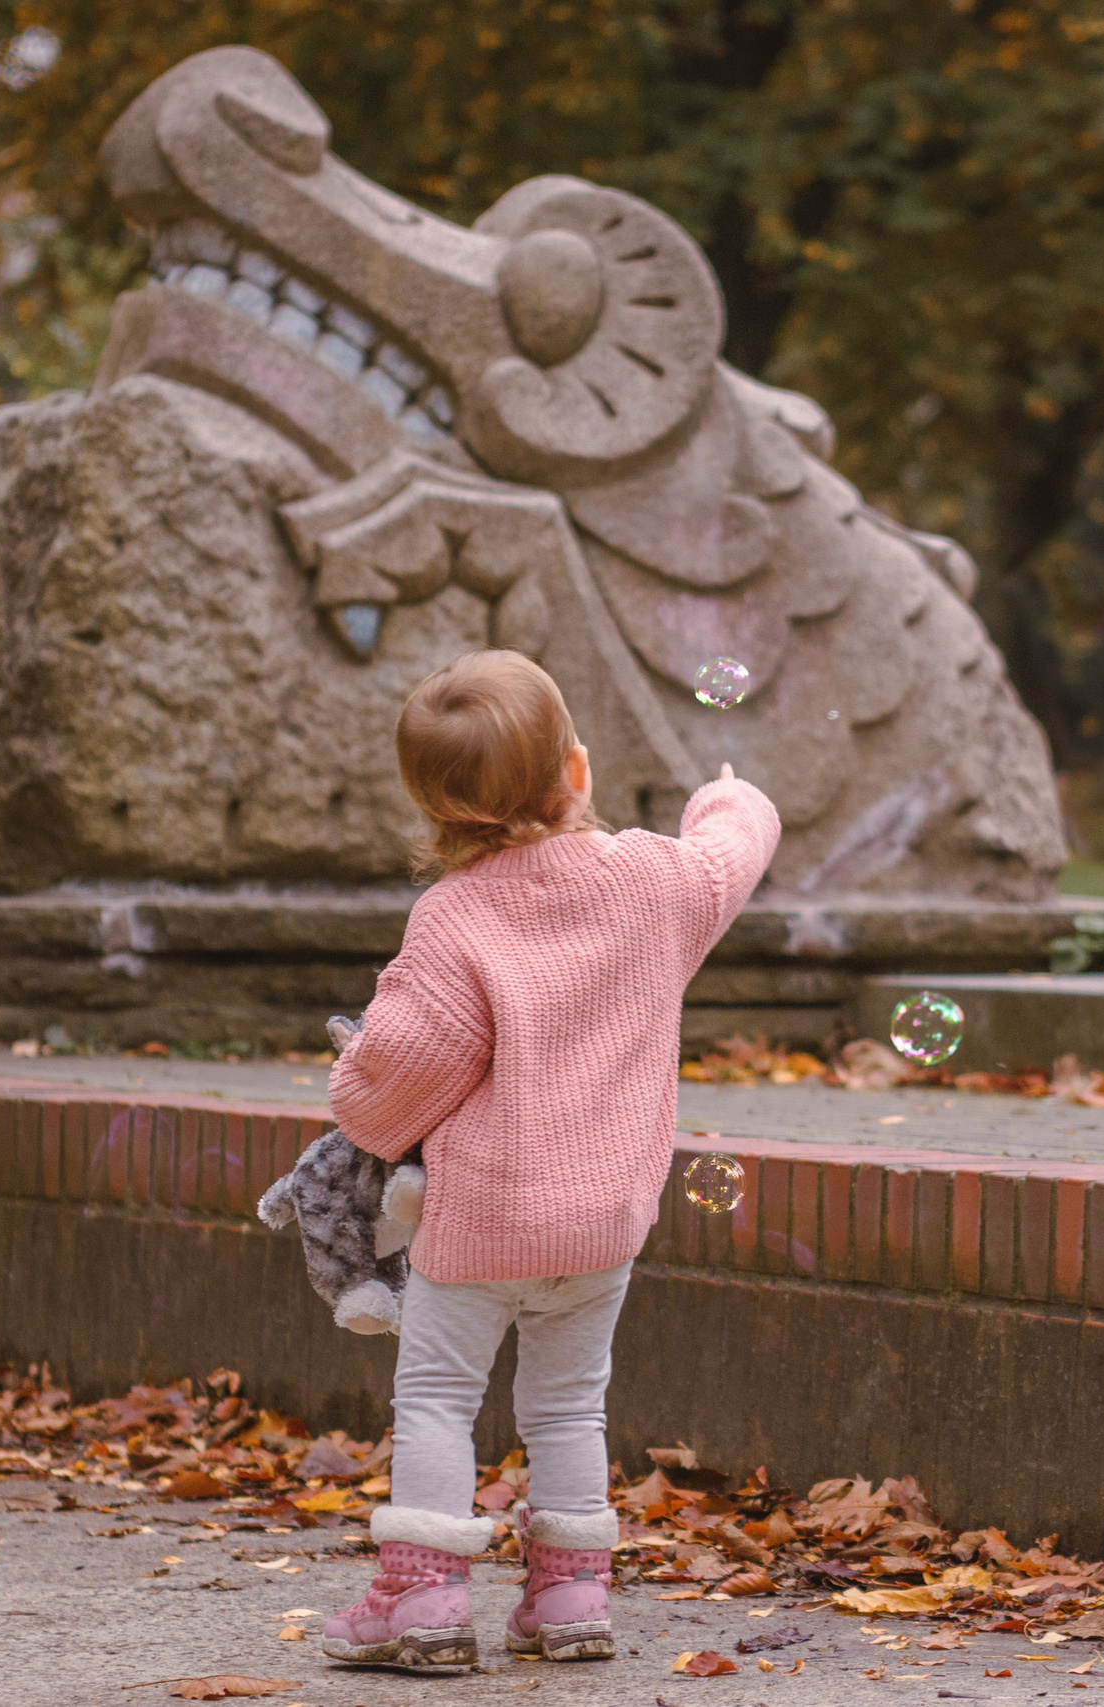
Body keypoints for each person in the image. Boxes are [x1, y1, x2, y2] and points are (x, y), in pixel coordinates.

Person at [318, 649, 781, 1673]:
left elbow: (392, 1090)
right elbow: (730, 852)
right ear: (575, 771)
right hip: (605, 1220)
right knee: (570, 1401)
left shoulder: (454, 917)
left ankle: (423, 1600)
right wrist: (729, 799)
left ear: (433, 810)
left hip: (482, 1223)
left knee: (439, 1396)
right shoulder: (655, 880)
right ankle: (570, 1594)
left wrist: (352, 1073)